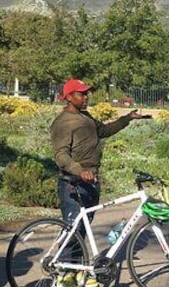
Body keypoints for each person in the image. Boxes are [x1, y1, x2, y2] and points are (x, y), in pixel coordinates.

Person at [50, 78, 145, 223]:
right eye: (81, 94)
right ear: (69, 97)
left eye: (86, 93)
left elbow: (104, 131)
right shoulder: (63, 122)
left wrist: (127, 118)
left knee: (83, 229)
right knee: (74, 233)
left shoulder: (85, 117)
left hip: (91, 180)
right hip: (74, 183)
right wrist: (80, 171)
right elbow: (61, 155)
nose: (86, 97)